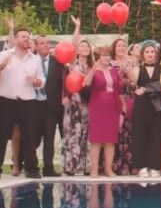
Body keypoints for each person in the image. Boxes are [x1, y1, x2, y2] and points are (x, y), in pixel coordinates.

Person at [0, 28, 45, 179]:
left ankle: (31, 169)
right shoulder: (4, 55)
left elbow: (42, 80)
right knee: (0, 136)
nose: (27, 39)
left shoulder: (35, 59)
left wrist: (37, 82)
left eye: (28, 36)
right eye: (23, 36)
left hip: (28, 101)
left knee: (30, 136)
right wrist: (1, 66)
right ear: (16, 39)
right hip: (6, 101)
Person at [128, 41, 161, 177]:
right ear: (143, 54)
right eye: (147, 52)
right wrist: (130, 66)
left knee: (156, 135)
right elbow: (132, 81)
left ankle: (155, 166)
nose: (150, 54)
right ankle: (141, 166)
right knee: (140, 135)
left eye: (152, 52)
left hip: (157, 105)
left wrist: (144, 89)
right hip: (141, 105)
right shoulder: (138, 68)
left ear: (155, 54)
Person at [85, 46, 123, 177]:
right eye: (103, 55)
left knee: (110, 139)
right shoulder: (94, 70)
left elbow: (119, 87)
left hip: (112, 106)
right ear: (98, 57)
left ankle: (108, 169)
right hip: (97, 106)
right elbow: (86, 83)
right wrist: (93, 69)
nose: (106, 57)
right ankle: (94, 169)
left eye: (108, 55)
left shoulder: (114, 71)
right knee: (96, 139)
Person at [59, 22, 90, 176]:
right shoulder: (73, 63)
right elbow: (73, 44)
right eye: (82, 46)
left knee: (86, 134)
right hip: (73, 104)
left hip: (88, 105)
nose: (84, 48)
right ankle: (70, 165)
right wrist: (77, 27)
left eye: (87, 46)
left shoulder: (92, 66)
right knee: (72, 133)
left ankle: (85, 166)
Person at [37, 35, 64, 177]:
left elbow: (63, 82)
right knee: (32, 138)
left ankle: (48, 168)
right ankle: (30, 166)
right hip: (33, 105)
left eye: (47, 43)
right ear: (36, 46)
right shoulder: (30, 60)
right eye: (42, 43)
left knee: (49, 138)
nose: (46, 45)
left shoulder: (57, 61)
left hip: (51, 106)